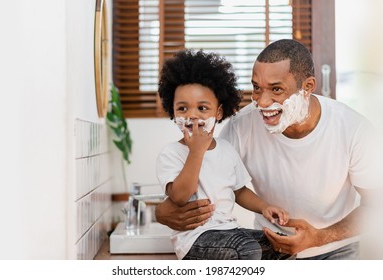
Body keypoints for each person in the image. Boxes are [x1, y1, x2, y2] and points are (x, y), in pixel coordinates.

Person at [155, 39, 380, 260]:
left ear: (307, 87)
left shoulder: (354, 129)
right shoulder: (241, 126)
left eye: (276, 89)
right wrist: (161, 213)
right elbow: (211, 179)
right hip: (273, 248)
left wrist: (318, 238)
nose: (262, 102)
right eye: (256, 88)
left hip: (335, 250)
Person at [156, 49, 293, 260]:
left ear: (218, 113)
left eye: (202, 108)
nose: (192, 115)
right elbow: (180, 196)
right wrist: (196, 152)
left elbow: (239, 191)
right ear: (173, 112)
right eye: (182, 109)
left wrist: (265, 207)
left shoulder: (226, 149)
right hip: (196, 239)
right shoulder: (171, 153)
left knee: (278, 245)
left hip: (230, 231)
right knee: (246, 249)